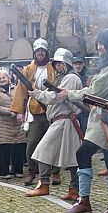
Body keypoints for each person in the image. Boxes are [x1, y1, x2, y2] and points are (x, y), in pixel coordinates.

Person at [56, 28, 108, 213]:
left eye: (101, 43)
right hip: (103, 120)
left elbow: (95, 91)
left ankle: (89, 202)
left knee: (90, 155)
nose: (99, 47)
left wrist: (69, 94)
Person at [26, 48, 83, 199]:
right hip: (62, 120)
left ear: (67, 63)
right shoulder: (64, 78)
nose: (58, 66)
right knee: (72, 157)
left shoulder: (71, 78)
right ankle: (73, 189)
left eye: (61, 63)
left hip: (65, 119)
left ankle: (44, 185)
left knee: (43, 150)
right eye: (56, 63)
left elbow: (56, 97)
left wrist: (36, 93)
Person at [10, 38, 56, 186]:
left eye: (42, 51)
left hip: (51, 109)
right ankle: (31, 171)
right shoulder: (28, 69)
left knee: (53, 143)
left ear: (46, 52)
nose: (40, 54)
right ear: (35, 53)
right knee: (31, 142)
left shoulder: (53, 68)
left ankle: (55, 172)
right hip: (35, 111)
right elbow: (21, 89)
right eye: (38, 52)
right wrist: (19, 111)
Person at [0, 70, 26, 180]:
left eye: (4, 77)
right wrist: (11, 111)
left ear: (8, 78)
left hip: (17, 122)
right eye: (0, 79)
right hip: (4, 124)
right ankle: (4, 172)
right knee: (5, 149)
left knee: (18, 148)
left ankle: (18, 170)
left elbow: (21, 101)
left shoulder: (16, 89)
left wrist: (19, 111)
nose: (2, 80)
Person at [72, 56, 90, 133]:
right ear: (72, 65)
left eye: (80, 64)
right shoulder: (70, 77)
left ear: (83, 65)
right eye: (76, 64)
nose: (78, 66)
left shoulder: (88, 78)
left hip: (85, 109)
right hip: (73, 109)